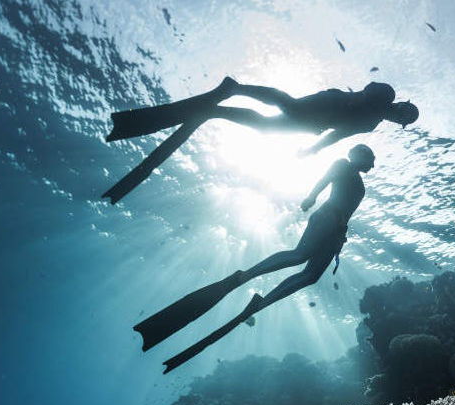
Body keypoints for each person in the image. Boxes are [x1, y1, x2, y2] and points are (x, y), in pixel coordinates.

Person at [136, 144, 377, 373]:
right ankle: (247, 275)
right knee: (299, 255)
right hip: (328, 216)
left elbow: (348, 209)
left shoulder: (360, 185)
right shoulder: (342, 164)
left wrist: (339, 236)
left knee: (311, 276)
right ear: (359, 154)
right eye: (371, 159)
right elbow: (325, 180)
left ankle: (264, 302)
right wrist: (312, 196)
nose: (373, 165)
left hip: (337, 231)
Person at [103, 78, 416, 203]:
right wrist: (360, 101)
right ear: (401, 105)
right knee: (289, 105)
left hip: (317, 125)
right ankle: (236, 88)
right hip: (325, 105)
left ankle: (218, 110)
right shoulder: (385, 94)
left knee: (267, 126)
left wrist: (311, 149)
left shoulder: (371, 124)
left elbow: (339, 135)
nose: (397, 117)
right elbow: (363, 93)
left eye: (402, 120)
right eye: (402, 113)